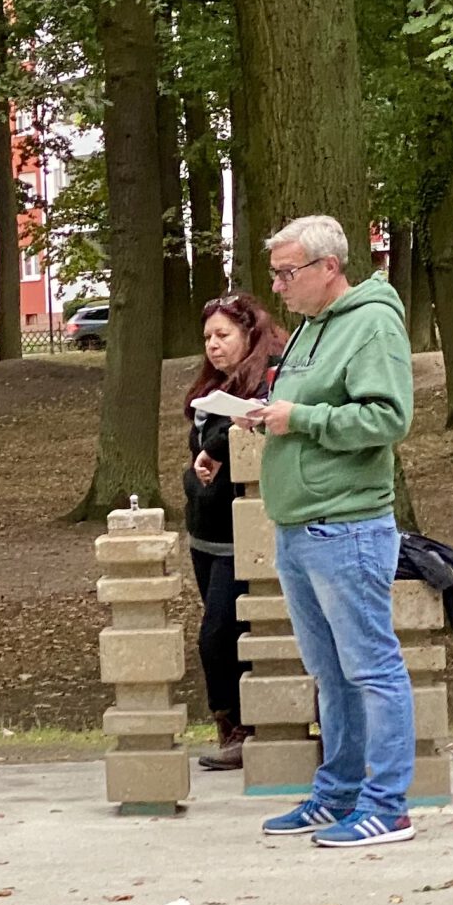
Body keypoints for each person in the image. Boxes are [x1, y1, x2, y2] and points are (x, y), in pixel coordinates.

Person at [245, 213, 417, 847]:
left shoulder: (371, 323)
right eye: (275, 275)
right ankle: (337, 793)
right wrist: (266, 418)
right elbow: (307, 410)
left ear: (328, 268)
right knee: (331, 672)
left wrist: (304, 419)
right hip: (298, 527)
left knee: (372, 668)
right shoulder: (310, 331)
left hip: (346, 526)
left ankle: (388, 805)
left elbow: (387, 418)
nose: (280, 286)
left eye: (289, 274)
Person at [183, 293, 286, 772]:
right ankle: (232, 726)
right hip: (205, 530)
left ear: (249, 334)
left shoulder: (268, 381)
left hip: (243, 535)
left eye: (223, 335)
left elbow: (255, 434)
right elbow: (198, 452)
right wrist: (198, 469)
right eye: (207, 337)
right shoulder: (211, 390)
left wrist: (220, 446)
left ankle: (244, 728)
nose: (213, 345)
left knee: (219, 634)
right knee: (221, 632)